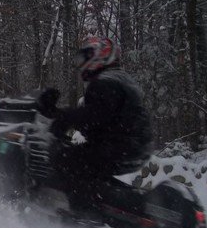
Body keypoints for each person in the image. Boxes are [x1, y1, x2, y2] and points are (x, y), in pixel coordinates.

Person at [40, 36, 152, 212]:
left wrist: (63, 118)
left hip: (119, 146)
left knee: (65, 158)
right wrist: (62, 115)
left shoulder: (105, 83)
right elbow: (98, 119)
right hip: (130, 147)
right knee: (83, 163)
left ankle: (82, 213)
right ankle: (106, 204)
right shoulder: (119, 80)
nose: (82, 63)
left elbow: (93, 115)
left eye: (86, 56)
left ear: (101, 55)